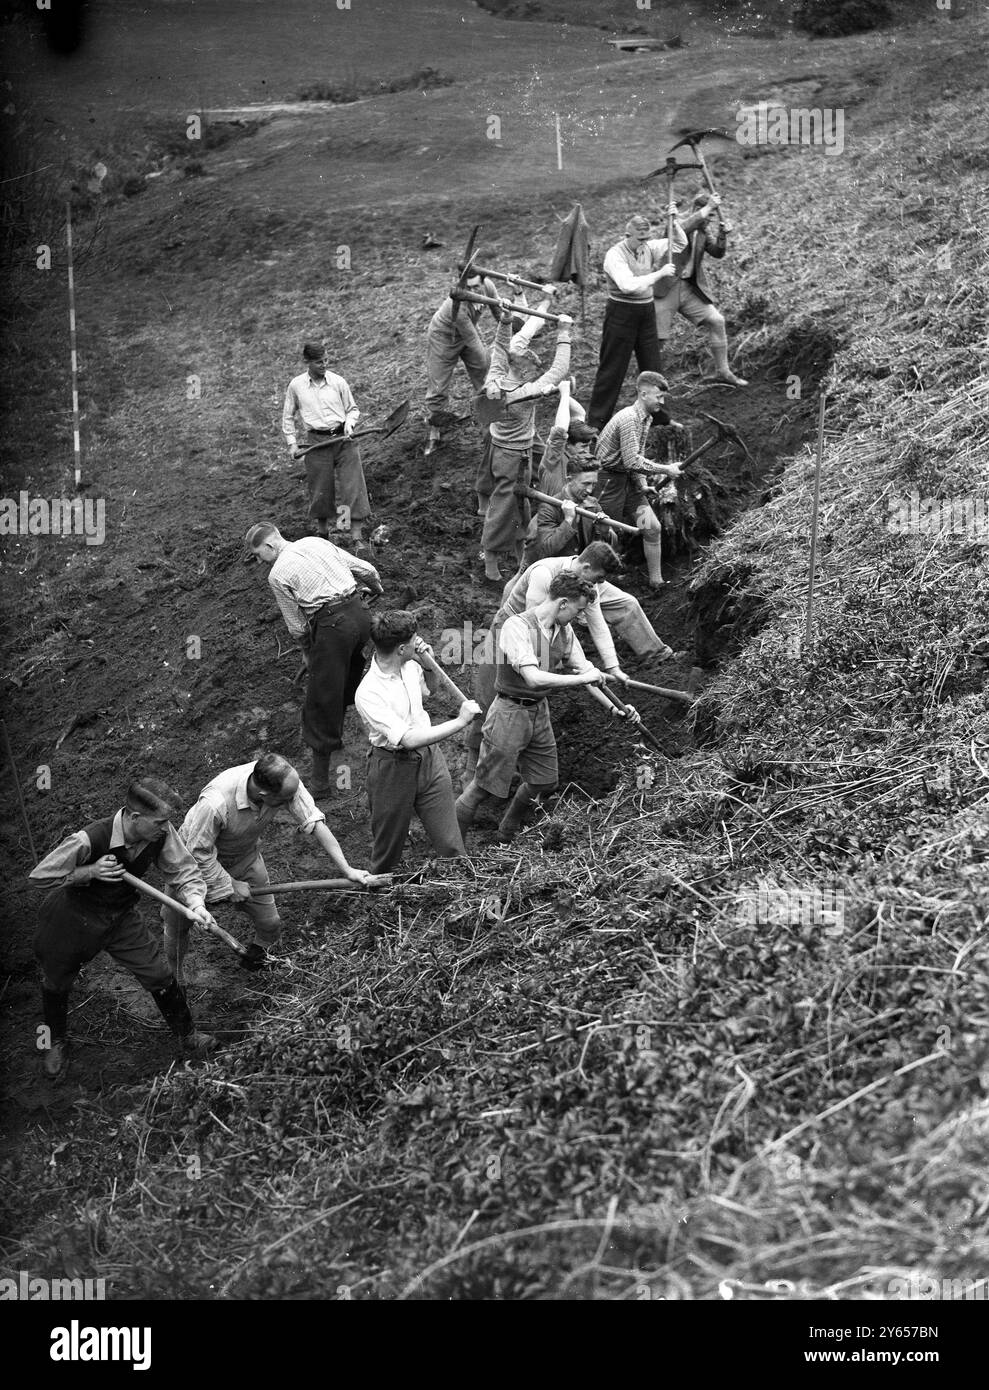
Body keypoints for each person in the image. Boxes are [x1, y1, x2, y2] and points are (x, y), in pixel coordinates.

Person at [29, 777, 217, 1081]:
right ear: (134, 817)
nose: (165, 827)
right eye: (160, 821)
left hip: (119, 916)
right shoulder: (89, 839)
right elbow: (39, 878)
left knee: (158, 974)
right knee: (56, 980)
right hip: (72, 916)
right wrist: (88, 871)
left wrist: (196, 905)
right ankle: (53, 1041)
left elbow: (183, 869)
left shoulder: (159, 832)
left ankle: (188, 1034)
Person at [463, 540, 670, 782]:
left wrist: (613, 669)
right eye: (600, 577)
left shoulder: (584, 589)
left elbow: (598, 625)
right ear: (586, 567)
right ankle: (471, 773)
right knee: (489, 700)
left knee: (531, 706)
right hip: (511, 629)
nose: (601, 584)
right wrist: (565, 666)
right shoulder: (543, 574)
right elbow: (533, 626)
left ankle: (514, 767)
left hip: (548, 633)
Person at [456, 572, 640, 841]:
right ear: (563, 603)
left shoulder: (564, 631)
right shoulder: (516, 626)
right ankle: (451, 853)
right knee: (482, 789)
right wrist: (581, 678)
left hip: (538, 712)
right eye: (578, 610)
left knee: (544, 781)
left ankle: (505, 833)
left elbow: (588, 672)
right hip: (509, 712)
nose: (579, 618)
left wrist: (616, 707)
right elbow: (533, 677)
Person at [159, 753, 374, 980]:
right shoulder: (216, 803)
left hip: (245, 858)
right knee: (177, 926)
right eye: (284, 800)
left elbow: (313, 820)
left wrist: (347, 869)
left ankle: (257, 961)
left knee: (270, 923)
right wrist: (230, 884)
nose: (290, 802)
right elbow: (198, 853)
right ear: (263, 794)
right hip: (190, 868)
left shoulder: (285, 781)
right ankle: (176, 976)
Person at [245, 521, 384, 794]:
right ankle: (342, 735)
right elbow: (367, 570)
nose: (261, 563)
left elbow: (296, 626)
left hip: (334, 628)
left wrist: (308, 653)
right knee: (346, 680)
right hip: (360, 616)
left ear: (270, 545)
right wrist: (376, 589)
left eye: (260, 555)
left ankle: (319, 784)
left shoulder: (278, 574)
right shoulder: (315, 541)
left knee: (320, 702)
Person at [354, 611, 482, 872]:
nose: (420, 641)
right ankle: (377, 893)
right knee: (388, 849)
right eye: (415, 639)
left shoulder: (410, 665)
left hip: (431, 761)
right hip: (392, 770)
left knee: (451, 843)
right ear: (401, 648)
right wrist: (460, 722)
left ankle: (463, 887)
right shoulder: (368, 693)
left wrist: (427, 664)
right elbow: (408, 739)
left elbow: (430, 691)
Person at [476, 292, 574, 582]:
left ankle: (520, 555)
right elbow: (559, 369)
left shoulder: (495, 379)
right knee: (504, 506)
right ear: (524, 371)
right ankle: (491, 564)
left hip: (500, 446)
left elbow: (498, 349)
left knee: (520, 504)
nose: (537, 370)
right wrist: (564, 333)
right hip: (513, 455)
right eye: (533, 368)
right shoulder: (525, 394)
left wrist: (505, 319)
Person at [586, 213, 681, 429]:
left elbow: (680, 243)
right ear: (627, 235)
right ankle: (596, 424)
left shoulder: (649, 247)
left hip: (646, 313)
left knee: (653, 367)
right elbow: (628, 286)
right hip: (622, 313)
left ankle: (660, 418)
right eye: (640, 238)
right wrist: (659, 274)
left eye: (647, 238)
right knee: (613, 368)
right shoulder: (615, 255)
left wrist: (673, 222)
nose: (644, 243)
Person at [593, 372, 684, 587]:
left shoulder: (646, 419)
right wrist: (665, 469)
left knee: (651, 527)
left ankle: (656, 581)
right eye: (658, 396)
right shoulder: (629, 419)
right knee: (605, 533)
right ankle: (598, 586)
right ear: (643, 394)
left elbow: (637, 457)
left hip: (628, 483)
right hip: (608, 482)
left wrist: (642, 484)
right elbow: (632, 460)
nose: (662, 402)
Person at [281, 342, 372, 548]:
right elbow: (288, 417)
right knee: (321, 488)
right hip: (317, 442)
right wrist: (292, 444)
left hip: (344, 440)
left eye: (326, 361)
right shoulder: (296, 386)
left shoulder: (338, 382)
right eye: (318, 362)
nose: (324, 365)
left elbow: (353, 409)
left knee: (352, 485)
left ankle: (356, 536)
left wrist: (349, 424)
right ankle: (324, 535)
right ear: (307, 362)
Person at [654, 191, 747, 388]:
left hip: (689, 289)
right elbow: (682, 229)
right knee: (659, 338)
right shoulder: (676, 224)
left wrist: (723, 234)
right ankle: (650, 381)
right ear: (698, 210)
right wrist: (708, 208)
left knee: (717, 321)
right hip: (666, 288)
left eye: (713, 217)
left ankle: (723, 372)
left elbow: (717, 252)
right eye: (709, 215)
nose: (710, 221)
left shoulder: (704, 232)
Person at [424, 271, 500, 455]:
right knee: (439, 386)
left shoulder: (488, 286)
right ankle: (434, 431)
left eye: (476, 287)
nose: (473, 291)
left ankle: (491, 426)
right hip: (444, 337)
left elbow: (499, 313)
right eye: (469, 288)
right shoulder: (455, 305)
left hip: (469, 330)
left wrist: (517, 332)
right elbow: (474, 343)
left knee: (485, 378)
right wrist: (488, 363)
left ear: (483, 282)